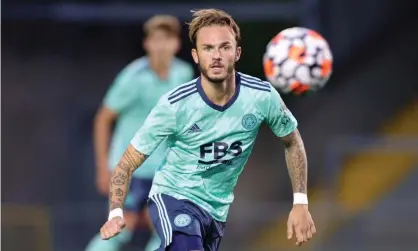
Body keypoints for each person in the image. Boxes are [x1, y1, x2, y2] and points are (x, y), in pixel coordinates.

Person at [99, 8, 316, 251]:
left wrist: (300, 202)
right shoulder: (175, 105)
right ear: (195, 55)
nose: (216, 56)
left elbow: (292, 141)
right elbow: (126, 163)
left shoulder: (262, 97)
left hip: (216, 211)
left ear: (237, 53)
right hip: (173, 196)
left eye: (224, 47)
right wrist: (115, 212)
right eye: (208, 48)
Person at [86, 14, 194, 251]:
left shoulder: (183, 74)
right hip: (129, 166)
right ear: (147, 44)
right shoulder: (132, 77)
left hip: (163, 168)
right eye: (156, 39)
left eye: (167, 39)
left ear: (176, 44)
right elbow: (103, 118)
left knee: (167, 229)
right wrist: (103, 167)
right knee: (120, 228)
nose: (161, 45)